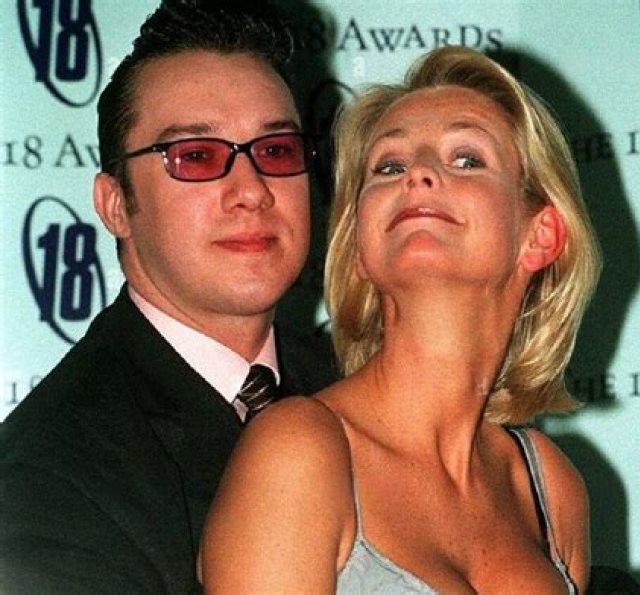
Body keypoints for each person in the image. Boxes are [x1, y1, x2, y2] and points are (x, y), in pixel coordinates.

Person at [201, 45, 601, 593]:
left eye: (467, 158)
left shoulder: (549, 488)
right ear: (359, 247)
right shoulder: (299, 450)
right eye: (389, 166)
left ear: (541, 236)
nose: (418, 175)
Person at [0, 0, 335, 592]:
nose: (251, 190)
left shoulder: (356, 389)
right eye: (197, 157)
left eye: (275, 151)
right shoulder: (48, 482)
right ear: (115, 204)